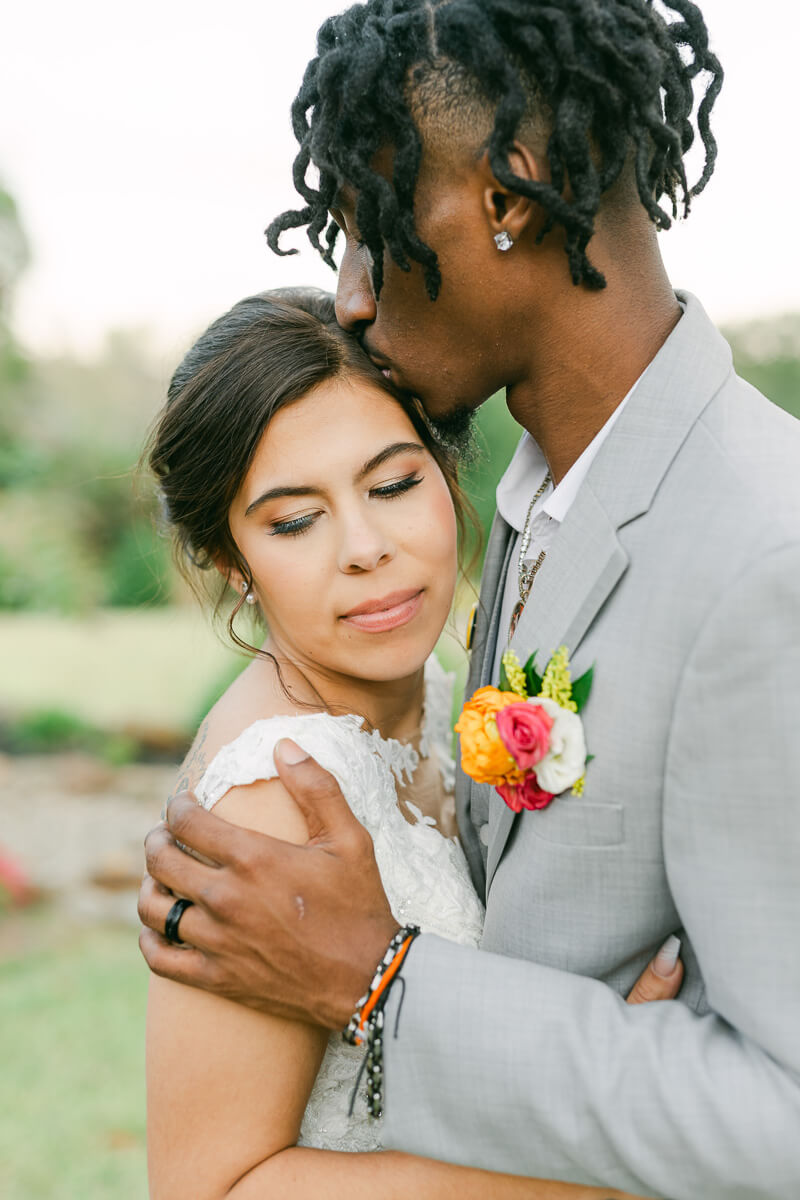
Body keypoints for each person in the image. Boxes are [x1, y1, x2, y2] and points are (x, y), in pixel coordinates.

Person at [139, 2, 800, 1197]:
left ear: (507, 194)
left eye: (365, 226)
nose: (344, 294)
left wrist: (377, 978)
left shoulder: (764, 558)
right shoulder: (536, 504)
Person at [143, 287, 680, 1199]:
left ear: (446, 472)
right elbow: (212, 1185)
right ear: (233, 559)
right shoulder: (272, 797)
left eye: (393, 485)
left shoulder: (445, 702)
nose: (365, 546)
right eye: (293, 520)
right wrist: (594, 1181)